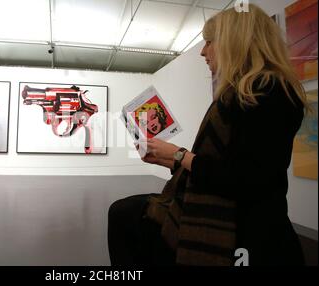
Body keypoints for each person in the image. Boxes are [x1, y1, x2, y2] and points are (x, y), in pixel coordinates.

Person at [108, 4, 308, 266]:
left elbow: (246, 180)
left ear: (233, 42)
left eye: (209, 42)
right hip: (235, 217)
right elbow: (229, 163)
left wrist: (180, 155)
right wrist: (169, 159)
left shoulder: (266, 92)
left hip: (244, 231)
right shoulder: (246, 92)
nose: (203, 51)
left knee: (125, 215)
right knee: (125, 212)